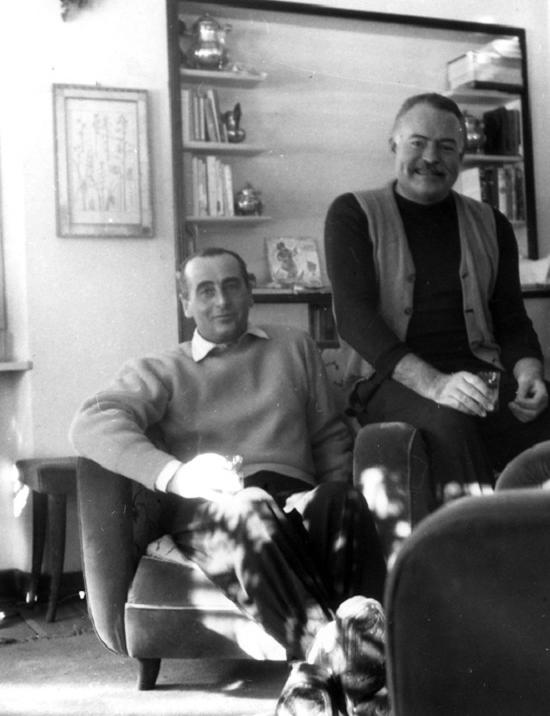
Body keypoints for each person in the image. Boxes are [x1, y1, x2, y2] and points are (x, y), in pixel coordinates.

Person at [69, 247, 389, 716]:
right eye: (205, 290)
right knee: (251, 505)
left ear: (251, 292)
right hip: (214, 506)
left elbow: (329, 437)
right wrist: (177, 474)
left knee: (342, 498)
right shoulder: (165, 368)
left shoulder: (294, 347)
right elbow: (90, 422)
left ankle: (320, 681)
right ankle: (362, 673)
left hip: (291, 497)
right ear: (186, 302)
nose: (221, 300)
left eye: (231, 286)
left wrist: (323, 498)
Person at [324, 92, 550, 504]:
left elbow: (511, 320)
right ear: (393, 143)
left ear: (462, 157)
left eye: (447, 147)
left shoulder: (492, 224)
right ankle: (473, 541)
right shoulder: (353, 213)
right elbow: (354, 318)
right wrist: (434, 384)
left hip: (478, 379)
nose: (431, 157)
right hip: (389, 382)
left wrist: (530, 374)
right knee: (450, 425)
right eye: (418, 142)